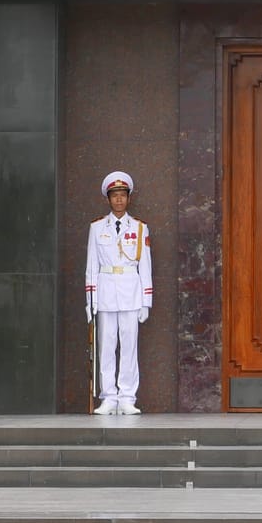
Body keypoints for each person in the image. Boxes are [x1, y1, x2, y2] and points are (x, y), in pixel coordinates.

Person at [84, 171, 152, 415]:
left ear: (129, 198)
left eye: (123, 195)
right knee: (106, 346)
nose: (119, 200)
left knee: (129, 347)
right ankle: (109, 397)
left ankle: (127, 397)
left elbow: (145, 265)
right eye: (115, 196)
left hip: (131, 293)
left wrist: (146, 301)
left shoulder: (140, 228)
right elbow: (91, 266)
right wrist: (90, 301)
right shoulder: (97, 227)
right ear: (108, 199)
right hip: (105, 293)